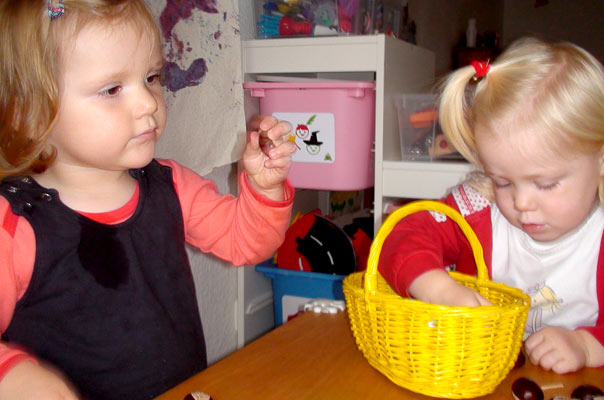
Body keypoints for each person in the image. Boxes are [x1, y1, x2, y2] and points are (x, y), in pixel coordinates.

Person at [0, 1, 297, 399]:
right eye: (112, 89)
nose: (148, 103)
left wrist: (263, 189)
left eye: (152, 77)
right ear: (32, 113)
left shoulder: (170, 184)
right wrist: (12, 375)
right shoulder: (14, 223)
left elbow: (247, 241)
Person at [378, 37, 604, 374]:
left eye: (545, 184)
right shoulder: (479, 210)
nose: (522, 203)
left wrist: (586, 346)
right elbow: (401, 235)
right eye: (503, 181)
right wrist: (439, 289)